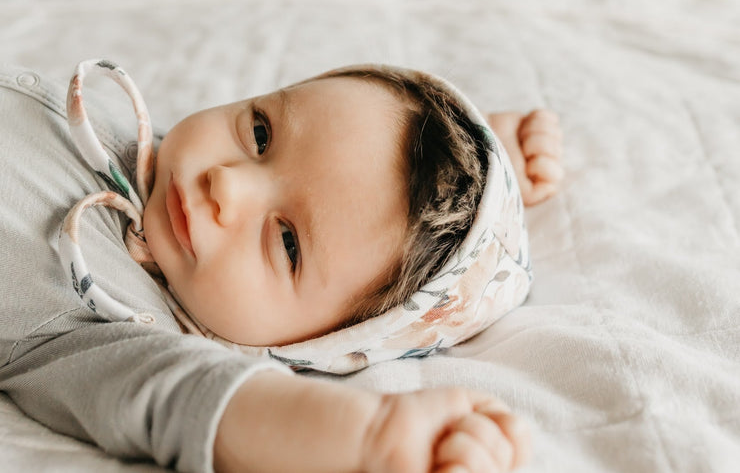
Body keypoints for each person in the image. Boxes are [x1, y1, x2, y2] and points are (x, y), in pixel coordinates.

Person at [0, 59, 563, 473]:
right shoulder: (157, 159)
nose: (227, 184)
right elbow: (347, 157)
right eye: (261, 133)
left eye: (289, 244)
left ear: (314, 345)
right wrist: (490, 154)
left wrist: (370, 439)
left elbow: (201, 401)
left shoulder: (113, 315)